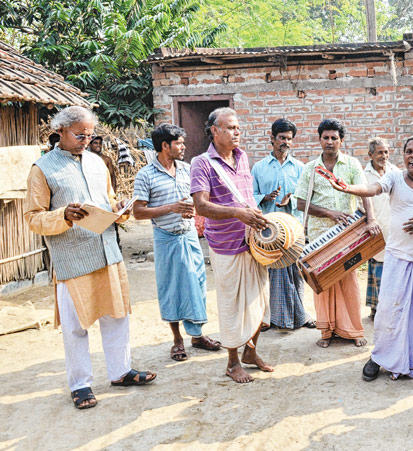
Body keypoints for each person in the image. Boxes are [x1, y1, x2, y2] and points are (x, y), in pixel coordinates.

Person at [24, 106, 156, 410]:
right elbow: (33, 218)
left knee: (117, 315)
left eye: (89, 134)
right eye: (79, 134)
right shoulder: (42, 168)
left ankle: (120, 371)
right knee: (75, 325)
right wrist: (63, 215)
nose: (86, 139)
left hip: (107, 250)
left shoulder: (98, 163)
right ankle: (80, 384)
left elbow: (107, 201)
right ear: (60, 131)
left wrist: (119, 207)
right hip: (72, 258)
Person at [329, 136, 413, 386]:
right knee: (388, 311)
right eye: (408, 151)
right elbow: (373, 189)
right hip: (397, 258)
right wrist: (348, 188)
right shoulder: (395, 177)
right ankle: (379, 357)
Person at [190, 107, 273, 384]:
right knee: (231, 304)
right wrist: (237, 213)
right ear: (215, 131)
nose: (237, 132)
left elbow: (247, 197)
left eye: (238, 127)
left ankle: (250, 352)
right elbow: (200, 205)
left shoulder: (243, 157)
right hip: (225, 243)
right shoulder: (201, 163)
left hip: (254, 241)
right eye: (230, 128)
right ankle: (232, 362)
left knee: (259, 301)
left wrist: (254, 216)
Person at [133, 124, 221, 361]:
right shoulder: (145, 175)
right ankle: (177, 340)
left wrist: (194, 210)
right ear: (165, 146)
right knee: (171, 288)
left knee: (198, 283)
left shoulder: (187, 169)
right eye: (179, 143)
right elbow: (138, 212)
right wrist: (171, 208)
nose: (184, 147)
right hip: (165, 237)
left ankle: (198, 336)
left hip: (189, 234)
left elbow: (201, 197)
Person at [294, 119, 379, 348]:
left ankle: (353, 331)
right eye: (326, 137)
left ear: (341, 141)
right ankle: (327, 332)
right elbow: (301, 203)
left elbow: (364, 194)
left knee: (349, 280)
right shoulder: (310, 169)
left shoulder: (351, 165)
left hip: (347, 234)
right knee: (322, 282)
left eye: (334, 138)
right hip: (320, 236)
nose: (330, 142)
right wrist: (329, 213)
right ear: (319, 139)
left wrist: (370, 220)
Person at [251, 118, 315, 331]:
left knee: (296, 272)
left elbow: (306, 197)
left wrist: (292, 199)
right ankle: (272, 318)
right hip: (268, 231)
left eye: (289, 138)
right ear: (272, 139)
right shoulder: (259, 168)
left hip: (294, 230)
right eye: (281, 138)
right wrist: (266, 197)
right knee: (273, 273)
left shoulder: (300, 168)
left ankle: (301, 316)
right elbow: (250, 196)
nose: (285, 142)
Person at [363, 137, 399, 321]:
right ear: (370, 155)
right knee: (377, 269)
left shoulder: (395, 172)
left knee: (393, 269)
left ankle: (390, 308)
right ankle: (376, 308)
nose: (384, 156)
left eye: (386, 152)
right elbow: (362, 202)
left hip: (394, 228)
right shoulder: (365, 174)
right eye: (379, 152)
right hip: (376, 228)